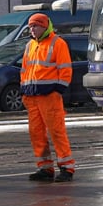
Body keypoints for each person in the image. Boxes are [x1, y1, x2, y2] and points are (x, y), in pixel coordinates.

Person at [20, 13, 76, 182]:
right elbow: (24, 70)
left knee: (56, 132)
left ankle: (66, 168)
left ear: (44, 27)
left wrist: (57, 90)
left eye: (35, 26)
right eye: (30, 27)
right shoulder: (30, 45)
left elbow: (65, 69)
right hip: (33, 96)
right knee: (36, 133)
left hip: (49, 96)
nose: (32, 29)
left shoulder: (57, 43)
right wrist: (24, 91)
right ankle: (45, 167)